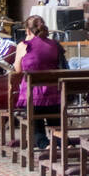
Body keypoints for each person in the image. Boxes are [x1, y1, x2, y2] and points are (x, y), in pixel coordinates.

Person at [15, 15, 62, 150]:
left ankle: (44, 144)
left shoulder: (24, 45)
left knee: (36, 125)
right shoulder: (54, 45)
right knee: (55, 122)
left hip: (32, 97)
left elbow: (18, 70)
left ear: (28, 31)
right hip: (55, 96)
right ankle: (61, 142)